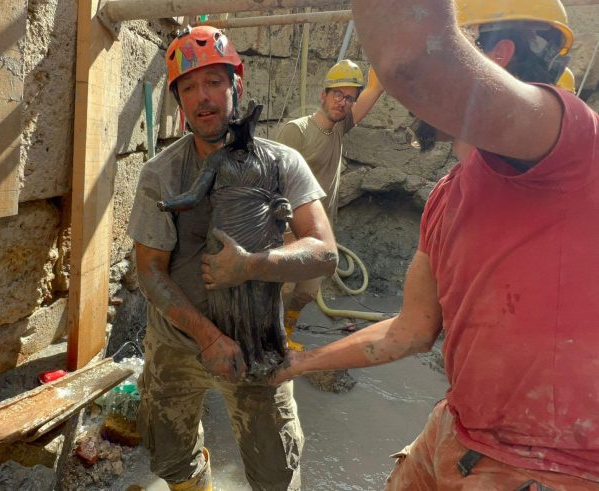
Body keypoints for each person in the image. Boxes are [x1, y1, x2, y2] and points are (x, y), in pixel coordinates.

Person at [273, 0, 599, 489]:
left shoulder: (572, 145)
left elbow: (414, 65)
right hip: (459, 427)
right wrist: (297, 363)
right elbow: (411, 329)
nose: (410, 101)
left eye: (456, 46)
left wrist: (406, 60)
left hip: (547, 467)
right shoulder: (449, 196)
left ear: (499, 54)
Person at [127, 25, 337, 491]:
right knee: (170, 457)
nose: (202, 97)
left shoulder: (281, 162)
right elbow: (150, 270)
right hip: (177, 342)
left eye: (213, 82)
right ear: (178, 102)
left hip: (256, 342)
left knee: (276, 472)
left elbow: (325, 252)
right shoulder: (162, 174)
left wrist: (251, 265)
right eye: (188, 87)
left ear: (236, 85)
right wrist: (207, 337)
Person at [275, 60, 384, 351]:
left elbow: (374, 90)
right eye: (338, 94)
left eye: (349, 98)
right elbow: (274, 184)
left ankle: (286, 334)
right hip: (291, 230)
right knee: (284, 288)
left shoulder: (339, 128)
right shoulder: (296, 131)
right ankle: (270, 339)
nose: (343, 102)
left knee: (308, 291)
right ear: (323, 95)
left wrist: (383, 67)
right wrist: (285, 232)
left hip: (319, 232)